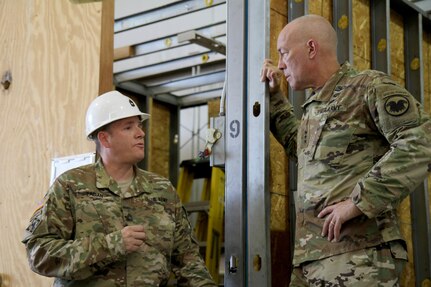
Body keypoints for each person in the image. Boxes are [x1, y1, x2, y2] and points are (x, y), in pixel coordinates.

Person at [260, 14, 431, 286]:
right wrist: (275, 99)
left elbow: (421, 142)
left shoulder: (368, 87)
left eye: (284, 53)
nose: (280, 65)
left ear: (311, 48)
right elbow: (300, 150)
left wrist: (358, 202)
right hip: (311, 259)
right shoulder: (315, 107)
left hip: (359, 257)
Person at [22, 91, 216, 287]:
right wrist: (112, 245)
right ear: (105, 139)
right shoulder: (70, 186)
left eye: (139, 126)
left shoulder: (162, 190)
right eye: (128, 127)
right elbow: (39, 252)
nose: (141, 133)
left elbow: (188, 261)